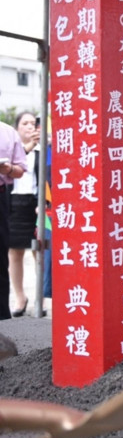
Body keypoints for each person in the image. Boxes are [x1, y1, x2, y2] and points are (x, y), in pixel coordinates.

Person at [8, 112, 39, 317]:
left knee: (40, 251)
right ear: (17, 128)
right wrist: (27, 147)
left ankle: (40, 297)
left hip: (37, 203)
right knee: (15, 252)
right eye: (24, 123)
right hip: (14, 202)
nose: (29, 126)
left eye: (32, 123)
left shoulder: (45, 149)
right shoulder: (11, 150)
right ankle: (20, 297)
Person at [0, 121, 27, 320]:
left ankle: (3, 321)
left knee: (1, 260)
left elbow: (20, 170)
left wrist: (7, 169)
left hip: (1, 194)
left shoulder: (8, 132)